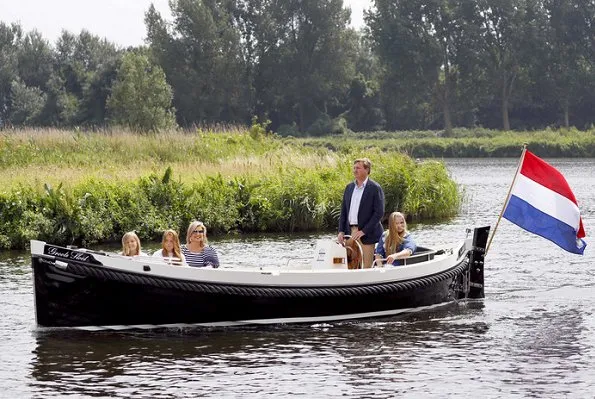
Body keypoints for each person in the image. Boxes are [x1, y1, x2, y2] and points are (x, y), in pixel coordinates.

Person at [338, 157, 385, 269]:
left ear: (367, 170)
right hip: (350, 232)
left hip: (367, 234)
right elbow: (344, 211)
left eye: (358, 168)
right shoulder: (349, 187)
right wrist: (341, 231)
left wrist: (364, 231)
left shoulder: (375, 188)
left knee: (366, 266)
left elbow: (379, 213)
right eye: (354, 168)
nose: (355, 170)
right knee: (348, 264)